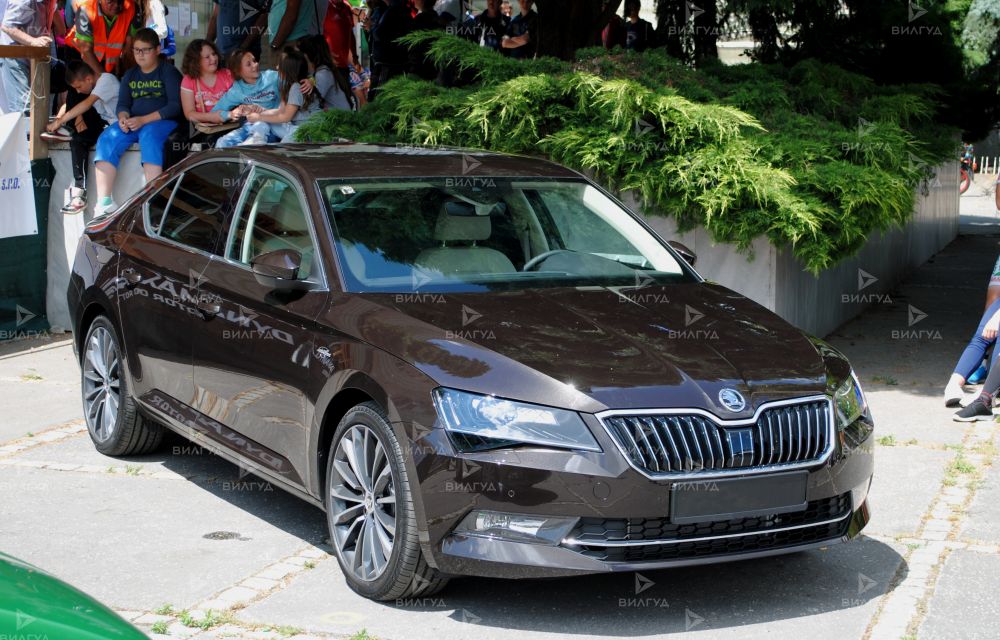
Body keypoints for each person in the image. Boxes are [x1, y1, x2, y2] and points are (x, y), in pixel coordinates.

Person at [93, 27, 181, 214]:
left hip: (163, 122)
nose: (140, 54)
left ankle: (153, 199)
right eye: (136, 50)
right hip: (135, 123)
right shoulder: (130, 74)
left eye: (146, 50)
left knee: (149, 136)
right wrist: (123, 118)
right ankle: (104, 202)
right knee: (107, 136)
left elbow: (175, 106)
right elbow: (123, 104)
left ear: (157, 49)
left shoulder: (168, 72)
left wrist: (144, 120)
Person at [47, 60, 119, 213]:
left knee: (86, 140)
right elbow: (69, 105)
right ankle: (79, 194)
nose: (78, 91)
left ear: (88, 79)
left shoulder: (106, 80)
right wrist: (57, 120)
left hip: (119, 126)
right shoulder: (91, 85)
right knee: (78, 140)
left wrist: (59, 121)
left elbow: (86, 104)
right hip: (106, 126)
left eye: (79, 86)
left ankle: (98, 199)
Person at [244, 47, 320, 143]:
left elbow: (286, 117)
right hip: (294, 127)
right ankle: (257, 141)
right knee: (264, 121)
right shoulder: (288, 85)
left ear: (289, 70)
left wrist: (259, 117)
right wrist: (259, 114)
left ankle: (258, 143)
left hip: (307, 130)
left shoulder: (296, 87)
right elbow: (281, 111)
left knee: (283, 146)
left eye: (280, 65)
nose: (277, 67)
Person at [211, 49, 282, 147]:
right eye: (249, 64)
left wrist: (306, 82)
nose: (255, 65)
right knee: (222, 143)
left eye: (254, 61)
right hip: (250, 125)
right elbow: (215, 111)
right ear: (238, 71)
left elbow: (294, 81)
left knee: (253, 146)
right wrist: (232, 113)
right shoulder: (237, 89)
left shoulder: (272, 77)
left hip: (273, 125)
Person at [1, 0, 57, 114]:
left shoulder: (50, 2)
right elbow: (7, 26)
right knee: (23, 108)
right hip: (15, 59)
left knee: (37, 108)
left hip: (34, 58)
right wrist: (32, 41)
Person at [178, 38, 235, 148]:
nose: (214, 58)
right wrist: (211, 117)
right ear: (196, 61)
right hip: (199, 125)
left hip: (226, 125)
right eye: (207, 57)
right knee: (173, 142)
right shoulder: (189, 80)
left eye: (214, 54)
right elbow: (189, 114)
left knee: (209, 144)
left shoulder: (228, 75)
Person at [66, 0, 139, 77]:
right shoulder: (86, 9)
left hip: (106, 61)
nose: (116, 5)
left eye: (120, 1)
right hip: (79, 55)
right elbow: (85, 50)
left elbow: (129, 47)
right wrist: (105, 77)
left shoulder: (131, 8)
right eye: (110, 2)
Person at [368, 0, 411, 101]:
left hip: (387, 65)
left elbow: (380, 34)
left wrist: (372, 27)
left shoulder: (393, 10)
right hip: (393, 64)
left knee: (378, 100)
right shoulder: (397, 9)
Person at [297, 35, 353, 111]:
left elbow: (314, 103)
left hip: (340, 116)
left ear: (307, 55)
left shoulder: (323, 73)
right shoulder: (321, 71)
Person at [323, 0, 358, 77]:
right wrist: (326, 54)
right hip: (329, 64)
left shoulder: (347, 7)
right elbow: (318, 33)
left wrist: (355, 54)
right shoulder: (325, 6)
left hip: (344, 64)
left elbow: (351, 34)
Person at [408, 0, 441, 79]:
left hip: (419, 65)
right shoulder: (436, 17)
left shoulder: (420, 19)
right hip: (432, 64)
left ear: (422, 1)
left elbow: (414, 43)